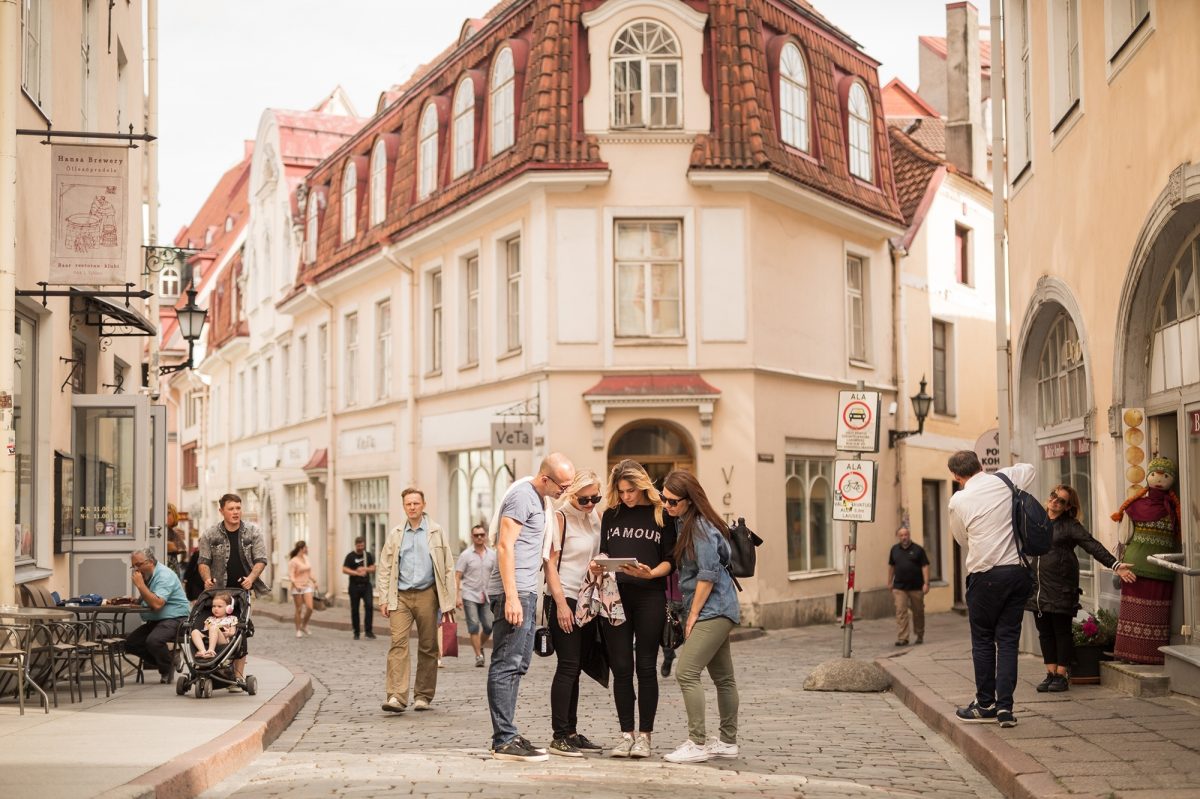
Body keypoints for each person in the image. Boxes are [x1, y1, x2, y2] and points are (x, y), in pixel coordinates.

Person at [487, 453, 576, 762]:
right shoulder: (523, 496)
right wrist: (511, 596)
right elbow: (504, 545)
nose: (565, 491)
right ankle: (504, 740)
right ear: (545, 479)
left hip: (525, 591)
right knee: (507, 663)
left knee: (519, 663)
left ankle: (508, 733)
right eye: (562, 485)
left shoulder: (541, 501)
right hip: (514, 592)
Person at [947, 451, 1035, 729]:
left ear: (956, 476)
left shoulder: (959, 499)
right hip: (1017, 572)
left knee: (983, 640)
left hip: (984, 575)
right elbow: (1030, 469)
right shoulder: (1005, 479)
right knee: (1008, 641)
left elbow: (961, 538)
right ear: (981, 465)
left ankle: (985, 704)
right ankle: (1006, 709)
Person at [596, 459, 675, 759]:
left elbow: (671, 560)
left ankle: (645, 736)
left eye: (631, 490)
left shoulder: (660, 514)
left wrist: (652, 573)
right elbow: (605, 549)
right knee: (622, 669)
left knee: (645, 667)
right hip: (615, 597)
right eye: (622, 491)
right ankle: (625, 734)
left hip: (649, 597)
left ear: (642, 485)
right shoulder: (610, 515)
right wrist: (599, 562)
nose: (627, 496)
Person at [660, 471, 740, 764]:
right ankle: (728, 742)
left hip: (714, 609)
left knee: (686, 672)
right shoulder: (685, 522)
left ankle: (697, 742)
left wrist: (692, 616)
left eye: (671, 501)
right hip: (716, 607)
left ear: (689, 500)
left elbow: (708, 574)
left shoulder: (701, 528)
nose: (666, 505)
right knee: (723, 677)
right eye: (663, 499)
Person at [1029, 484, 1134, 692]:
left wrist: (1115, 565)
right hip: (1037, 588)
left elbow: (1091, 545)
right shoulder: (1037, 522)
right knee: (1045, 633)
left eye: (1061, 500)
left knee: (1062, 632)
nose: (1055, 501)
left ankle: (1061, 675)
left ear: (1068, 507)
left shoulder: (1070, 525)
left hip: (1061, 586)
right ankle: (1050, 673)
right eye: (1053, 496)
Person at [375, 488, 456, 713]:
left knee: (428, 645)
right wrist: (383, 598)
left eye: (416, 503)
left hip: (427, 594)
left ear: (423, 505)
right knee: (398, 643)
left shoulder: (436, 531)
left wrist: (449, 601)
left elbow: (448, 567)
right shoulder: (396, 533)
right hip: (400, 596)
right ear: (404, 507)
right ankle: (396, 697)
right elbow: (384, 567)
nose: (412, 507)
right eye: (408, 504)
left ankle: (423, 696)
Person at [544, 470, 605, 757]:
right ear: (572, 494)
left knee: (577, 666)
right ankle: (559, 736)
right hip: (565, 596)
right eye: (585, 499)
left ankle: (571, 731)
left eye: (596, 498)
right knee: (567, 665)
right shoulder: (560, 518)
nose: (591, 503)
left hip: (588, 599)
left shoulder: (595, 516)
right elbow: (550, 566)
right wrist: (560, 605)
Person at [1111, 457, 1181, 665]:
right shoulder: (1136, 505)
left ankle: (1150, 655)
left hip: (1162, 569)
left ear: (1172, 479)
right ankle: (1129, 653)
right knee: (1133, 612)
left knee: (1155, 612)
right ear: (1148, 477)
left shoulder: (1175, 508)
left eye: (1165, 476)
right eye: (1155, 475)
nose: (1159, 480)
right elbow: (1124, 537)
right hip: (1135, 568)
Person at [198, 493, 270, 690]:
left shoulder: (253, 532)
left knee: (240, 630)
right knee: (212, 626)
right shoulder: (210, 534)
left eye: (238, 508)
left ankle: (237, 676)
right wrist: (206, 579)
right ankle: (215, 665)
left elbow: (261, 559)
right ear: (221, 511)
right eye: (231, 508)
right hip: (218, 592)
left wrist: (251, 579)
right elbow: (203, 562)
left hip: (241, 592)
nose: (236, 512)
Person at [123, 548, 191, 683]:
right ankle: (169, 661)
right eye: (134, 566)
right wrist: (137, 601)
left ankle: (166, 669)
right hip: (156, 620)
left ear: (150, 562)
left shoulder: (164, 576)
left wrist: (141, 586)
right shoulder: (148, 575)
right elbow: (150, 597)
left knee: (154, 641)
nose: (136, 569)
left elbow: (157, 604)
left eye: (138, 565)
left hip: (175, 618)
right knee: (131, 643)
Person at [455, 523, 496, 667]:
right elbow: (458, 576)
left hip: (487, 595)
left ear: (485, 536)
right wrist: (457, 596)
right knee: (473, 626)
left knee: (489, 626)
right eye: (476, 535)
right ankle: (479, 656)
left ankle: (480, 646)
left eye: (482, 535)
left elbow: (497, 575)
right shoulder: (465, 555)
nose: (479, 537)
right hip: (469, 595)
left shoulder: (493, 555)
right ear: (472, 537)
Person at [888, 525, 930, 646]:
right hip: (899, 587)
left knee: (918, 612)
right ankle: (903, 638)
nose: (904, 537)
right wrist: (889, 581)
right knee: (901, 612)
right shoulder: (894, 550)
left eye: (906, 534)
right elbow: (891, 566)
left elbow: (925, 566)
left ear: (909, 535)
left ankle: (919, 634)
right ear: (898, 537)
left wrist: (926, 583)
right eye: (901, 535)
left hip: (916, 587)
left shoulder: (918, 550)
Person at [342, 536, 377, 640]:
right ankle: (356, 632)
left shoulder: (368, 555)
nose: (361, 547)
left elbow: (373, 568)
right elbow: (344, 569)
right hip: (354, 586)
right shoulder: (350, 556)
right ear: (356, 545)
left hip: (366, 585)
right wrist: (356, 572)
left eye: (362, 545)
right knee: (355, 609)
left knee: (369, 606)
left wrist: (365, 569)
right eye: (359, 545)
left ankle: (368, 631)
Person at [190, 591, 238, 658]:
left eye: (219, 606)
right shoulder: (210, 619)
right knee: (194, 632)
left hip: (223, 640)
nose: (216, 609)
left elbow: (233, 632)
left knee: (213, 627)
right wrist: (208, 627)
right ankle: (203, 651)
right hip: (209, 637)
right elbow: (205, 630)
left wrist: (228, 633)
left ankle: (210, 651)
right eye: (214, 606)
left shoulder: (232, 619)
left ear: (228, 608)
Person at [288, 541, 317, 638]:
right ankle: (298, 629)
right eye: (306, 547)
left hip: (307, 585)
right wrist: (294, 583)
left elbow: (309, 571)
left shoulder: (306, 558)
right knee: (299, 609)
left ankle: (304, 625)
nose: (307, 549)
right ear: (301, 549)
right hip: (297, 586)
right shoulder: (293, 561)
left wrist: (314, 581)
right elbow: (291, 574)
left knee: (310, 608)